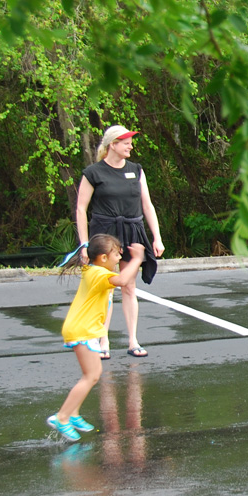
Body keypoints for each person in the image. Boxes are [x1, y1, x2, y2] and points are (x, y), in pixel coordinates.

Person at [74, 125, 164, 358]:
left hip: (132, 229)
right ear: (112, 144)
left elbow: (147, 205)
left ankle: (133, 340)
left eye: (130, 142)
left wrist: (157, 236)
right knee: (105, 288)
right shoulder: (93, 172)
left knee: (129, 286)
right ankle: (103, 341)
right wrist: (84, 243)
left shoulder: (136, 170)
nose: (130, 146)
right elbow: (81, 209)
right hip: (105, 232)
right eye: (126, 142)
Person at [49, 234, 146, 442]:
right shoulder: (99, 274)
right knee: (91, 376)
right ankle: (62, 416)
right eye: (116, 255)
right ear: (102, 258)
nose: (120, 258)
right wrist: (137, 259)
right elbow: (122, 280)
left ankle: (73, 414)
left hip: (84, 329)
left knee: (93, 373)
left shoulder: (92, 269)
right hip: (82, 330)